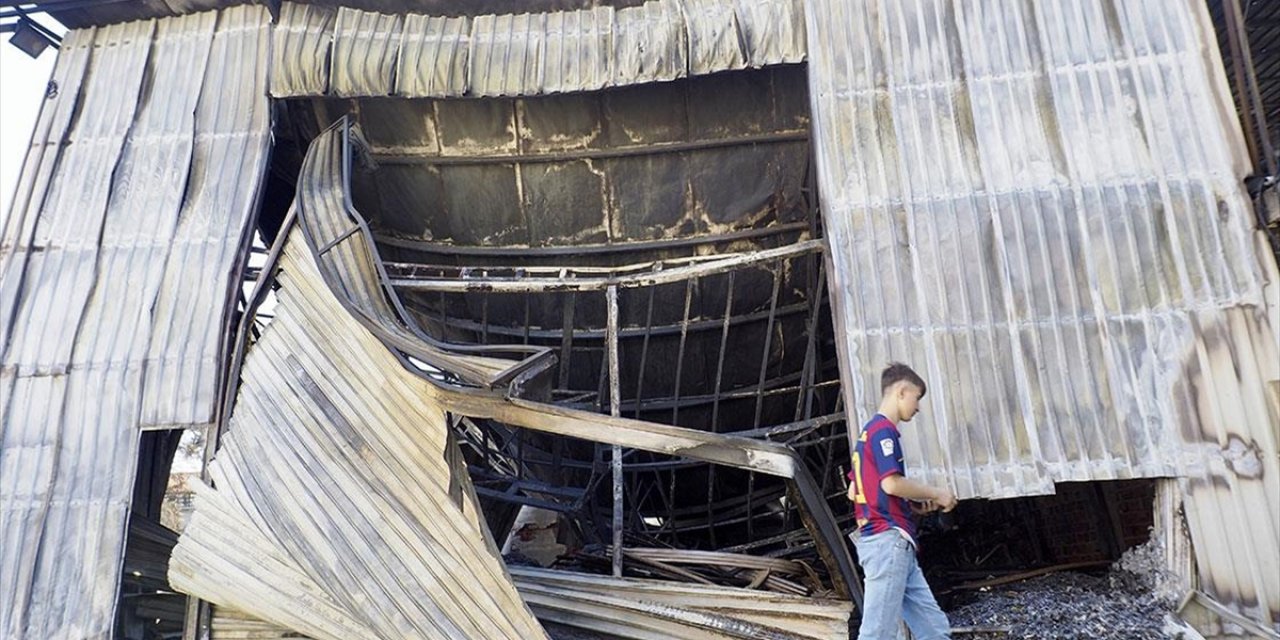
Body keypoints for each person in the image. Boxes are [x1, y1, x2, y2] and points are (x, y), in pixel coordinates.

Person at [847, 363, 957, 640]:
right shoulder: (884, 431)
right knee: (878, 633)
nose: (917, 407)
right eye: (916, 398)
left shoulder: (866, 435)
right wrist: (936, 493)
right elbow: (891, 483)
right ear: (901, 391)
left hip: (893, 542)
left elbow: (854, 491)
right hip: (887, 542)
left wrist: (909, 505)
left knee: (934, 629)